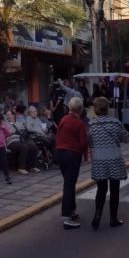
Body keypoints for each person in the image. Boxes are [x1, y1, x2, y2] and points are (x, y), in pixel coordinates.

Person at [88, 97, 129, 229]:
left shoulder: (91, 125)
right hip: (114, 159)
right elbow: (126, 138)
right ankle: (113, 218)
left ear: (95, 110)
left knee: (101, 189)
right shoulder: (115, 123)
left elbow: (90, 142)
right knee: (114, 189)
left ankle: (97, 216)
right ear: (108, 109)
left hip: (99, 159)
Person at [54, 97, 88, 230]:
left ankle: (72, 210)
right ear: (81, 109)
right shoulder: (79, 124)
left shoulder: (63, 119)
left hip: (60, 153)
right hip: (72, 155)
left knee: (69, 182)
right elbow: (83, 143)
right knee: (69, 184)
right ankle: (67, 216)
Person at [4, 110, 39, 175]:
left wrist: (23, 131)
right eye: (7, 115)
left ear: (13, 115)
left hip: (20, 141)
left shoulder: (18, 124)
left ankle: (31, 166)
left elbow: (24, 131)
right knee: (24, 147)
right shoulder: (5, 125)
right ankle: (21, 168)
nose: (7, 116)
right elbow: (6, 133)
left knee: (34, 147)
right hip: (11, 142)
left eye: (9, 115)